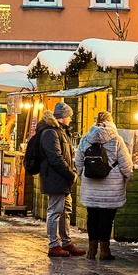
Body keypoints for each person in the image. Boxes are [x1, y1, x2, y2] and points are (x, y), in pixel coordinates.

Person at [77, 110, 133, 261]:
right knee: (107, 218)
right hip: (112, 185)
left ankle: (91, 250)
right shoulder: (116, 139)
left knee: (92, 216)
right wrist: (128, 177)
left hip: (90, 184)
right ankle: (104, 251)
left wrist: (82, 175)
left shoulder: (86, 138)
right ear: (111, 121)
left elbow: (78, 161)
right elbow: (125, 162)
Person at [36, 102, 84, 257]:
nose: (71, 119)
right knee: (55, 212)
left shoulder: (60, 131)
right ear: (64, 117)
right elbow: (55, 157)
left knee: (66, 211)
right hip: (55, 178)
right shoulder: (51, 132)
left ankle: (66, 241)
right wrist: (70, 173)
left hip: (62, 179)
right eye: (69, 116)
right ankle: (54, 244)